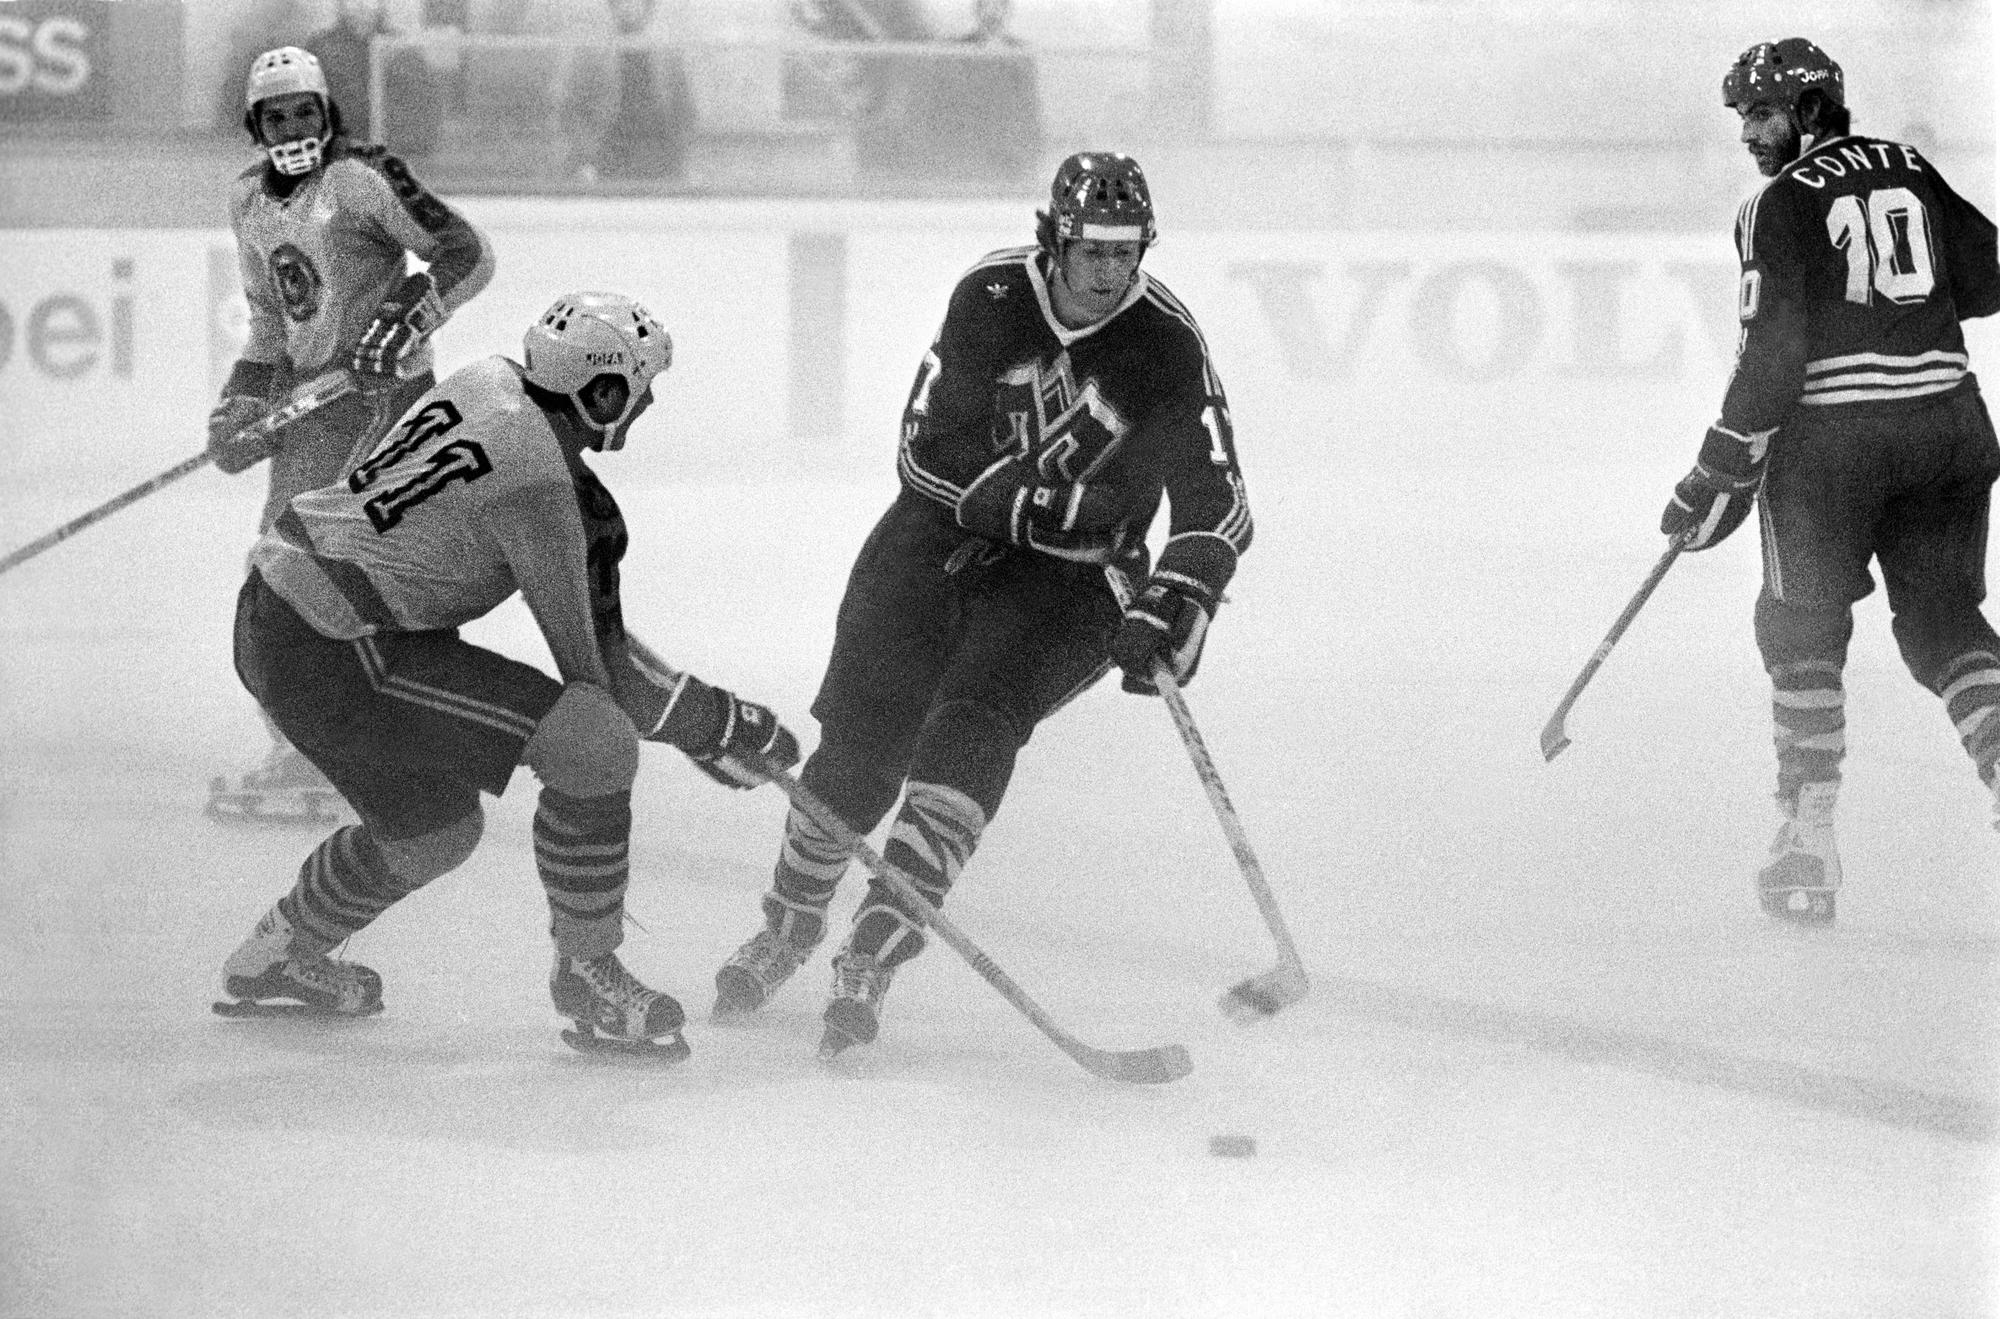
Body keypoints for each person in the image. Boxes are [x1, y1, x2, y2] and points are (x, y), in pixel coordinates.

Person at [710, 151, 1253, 1056]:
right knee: (862, 746)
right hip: (939, 541)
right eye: (1094, 251)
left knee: (971, 727)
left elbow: (1217, 498)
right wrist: (1032, 505)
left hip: (1069, 581)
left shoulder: (1165, 340)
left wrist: (1180, 590)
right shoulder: (991, 297)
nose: (1111, 271)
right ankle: (790, 923)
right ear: (1056, 241)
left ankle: (879, 942)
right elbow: (924, 451)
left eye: (1127, 251)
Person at [215, 291, 801, 1059]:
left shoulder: (486, 379)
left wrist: (705, 722)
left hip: (278, 617)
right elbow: (601, 676)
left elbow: (589, 632)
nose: (649, 402)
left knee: (434, 832)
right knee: (593, 744)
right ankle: (588, 974)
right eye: (641, 386)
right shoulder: (538, 484)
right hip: (337, 645)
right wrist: (721, 723)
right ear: (602, 393)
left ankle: (277, 952)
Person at [1660, 39, 2000, 925]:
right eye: (1742, 116)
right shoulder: (1909, 167)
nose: (1748, 133)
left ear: (1811, 110)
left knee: (1799, 626)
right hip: (1949, 429)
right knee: (1943, 624)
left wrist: (1715, 470)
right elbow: (1988, 276)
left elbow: (1771, 360)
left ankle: (1807, 837)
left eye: (1761, 113)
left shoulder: (1775, 203)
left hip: (1833, 450)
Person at [205, 44, 495, 827]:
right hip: (311, 412)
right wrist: (242, 401)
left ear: (328, 113)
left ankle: (385, 739)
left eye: (305, 111)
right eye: (276, 117)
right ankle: (308, 742)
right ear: (255, 125)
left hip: (386, 403)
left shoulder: (364, 177)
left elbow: (467, 253)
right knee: (273, 573)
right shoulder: (248, 200)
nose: (293, 127)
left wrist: (407, 316)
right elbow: (271, 320)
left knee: (352, 572)